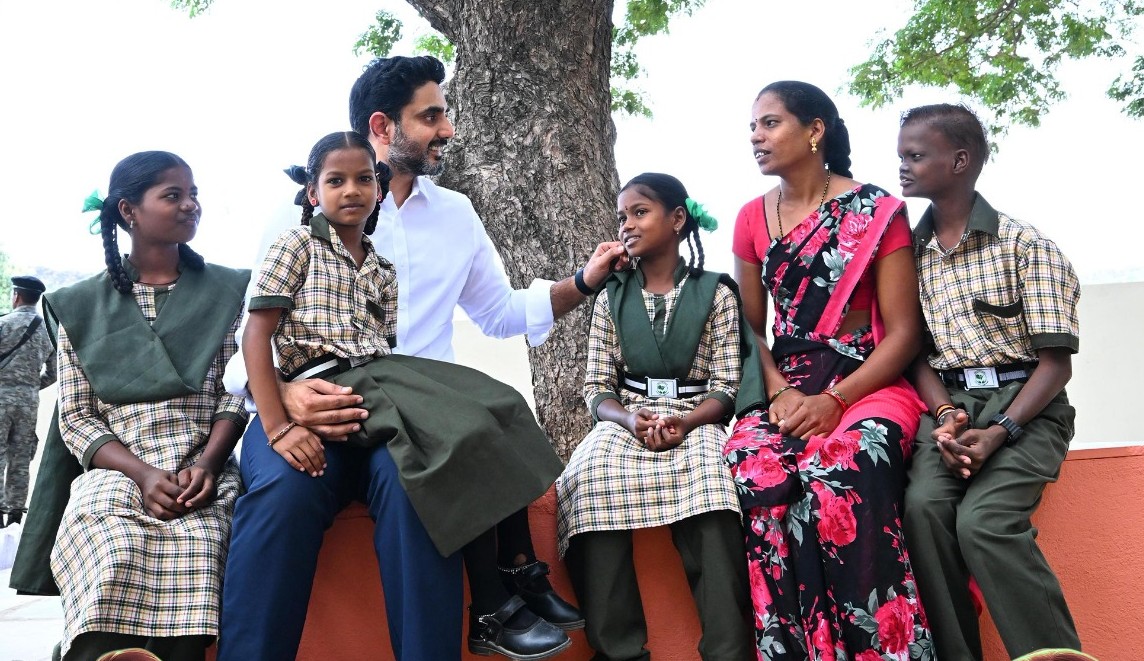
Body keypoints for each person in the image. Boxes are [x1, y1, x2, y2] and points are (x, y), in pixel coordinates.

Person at [219, 55, 624, 661]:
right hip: (309, 410)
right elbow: (245, 343)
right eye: (431, 116)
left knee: (423, 492)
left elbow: (501, 315)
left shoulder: (455, 215)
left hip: (416, 422)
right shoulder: (298, 220)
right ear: (383, 126)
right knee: (283, 495)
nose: (448, 130)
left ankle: (487, 611)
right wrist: (282, 397)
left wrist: (583, 283)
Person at [721, 81, 933, 659]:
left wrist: (834, 402)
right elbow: (748, 329)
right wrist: (780, 393)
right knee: (756, 468)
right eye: (752, 127)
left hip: (867, 382)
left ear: (815, 130)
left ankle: (880, 650)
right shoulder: (749, 219)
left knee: (846, 466)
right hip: (785, 386)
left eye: (770, 123)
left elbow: (904, 333)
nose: (755, 137)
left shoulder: (877, 210)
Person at [46, 151, 250, 660]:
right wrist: (142, 475)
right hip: (119, 468)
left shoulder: (233, 291)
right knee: (107, 542)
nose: (191, 206)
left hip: (203, 464)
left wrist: (207, 464)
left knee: (202, 546)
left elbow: (237, 392)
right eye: (173, 195)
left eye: (193, 194)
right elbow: (76, 416)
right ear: (128, 211)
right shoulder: (79, 305)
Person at [897, 103, 1081, 660]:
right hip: (950, 405)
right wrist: (944, 415)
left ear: (960, 160)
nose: (901, 166)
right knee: (923, 511)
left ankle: (1054, 657)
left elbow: (1056, 364)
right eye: (900, 155)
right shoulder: (908, 255)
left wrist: (1000, 428)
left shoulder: (1028, 246)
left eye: (915, 155)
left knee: (983, 523)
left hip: (1027, 407)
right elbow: (914, 354)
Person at [557, 172, 757, 661]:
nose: (627, 224)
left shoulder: (717, 293)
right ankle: (619, 650)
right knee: (590, 476)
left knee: (713, 483)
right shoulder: (612, 294)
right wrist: (627, 419)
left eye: (640, 212)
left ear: (677, 219)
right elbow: (596, 387)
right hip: (627, 420)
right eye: (622, 215)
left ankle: (727, 649)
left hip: (697, 418)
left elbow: (726, 387)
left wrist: (686, 424)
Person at [0, 275, 56, 529]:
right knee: (21, 457)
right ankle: (15, 514)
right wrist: (32, 386)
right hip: (29, 402)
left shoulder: (4, 324)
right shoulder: (47, 331)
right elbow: (53, 373)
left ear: (17, 296)